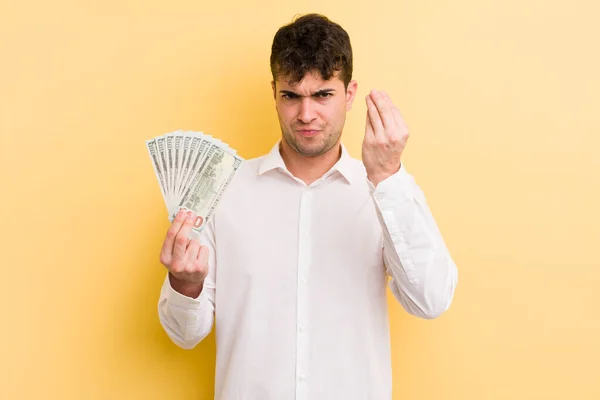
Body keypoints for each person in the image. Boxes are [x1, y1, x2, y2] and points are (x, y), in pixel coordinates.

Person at [157, 13, 458, 400]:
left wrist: (388, 178)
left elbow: (430, 300)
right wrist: (186, 284)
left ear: (349, 94)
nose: (306, 115)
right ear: (274, 92)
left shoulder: (386, 192)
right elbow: (182, 334)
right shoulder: (223, 191)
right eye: (292, 96)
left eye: (322, 95)